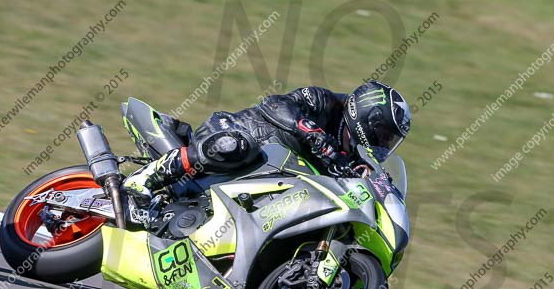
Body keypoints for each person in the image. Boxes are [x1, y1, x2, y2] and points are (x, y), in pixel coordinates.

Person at [123, 80, 411, 204]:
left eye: (390, 140)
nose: (384, 143)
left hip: (267, 179)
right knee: (235, 146)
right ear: (366, 117)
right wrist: (312, 132)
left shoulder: (352, 159)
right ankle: (147, 178)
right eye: (384, 134)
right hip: (238, 134)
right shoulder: (324, 101)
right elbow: (275, 104)